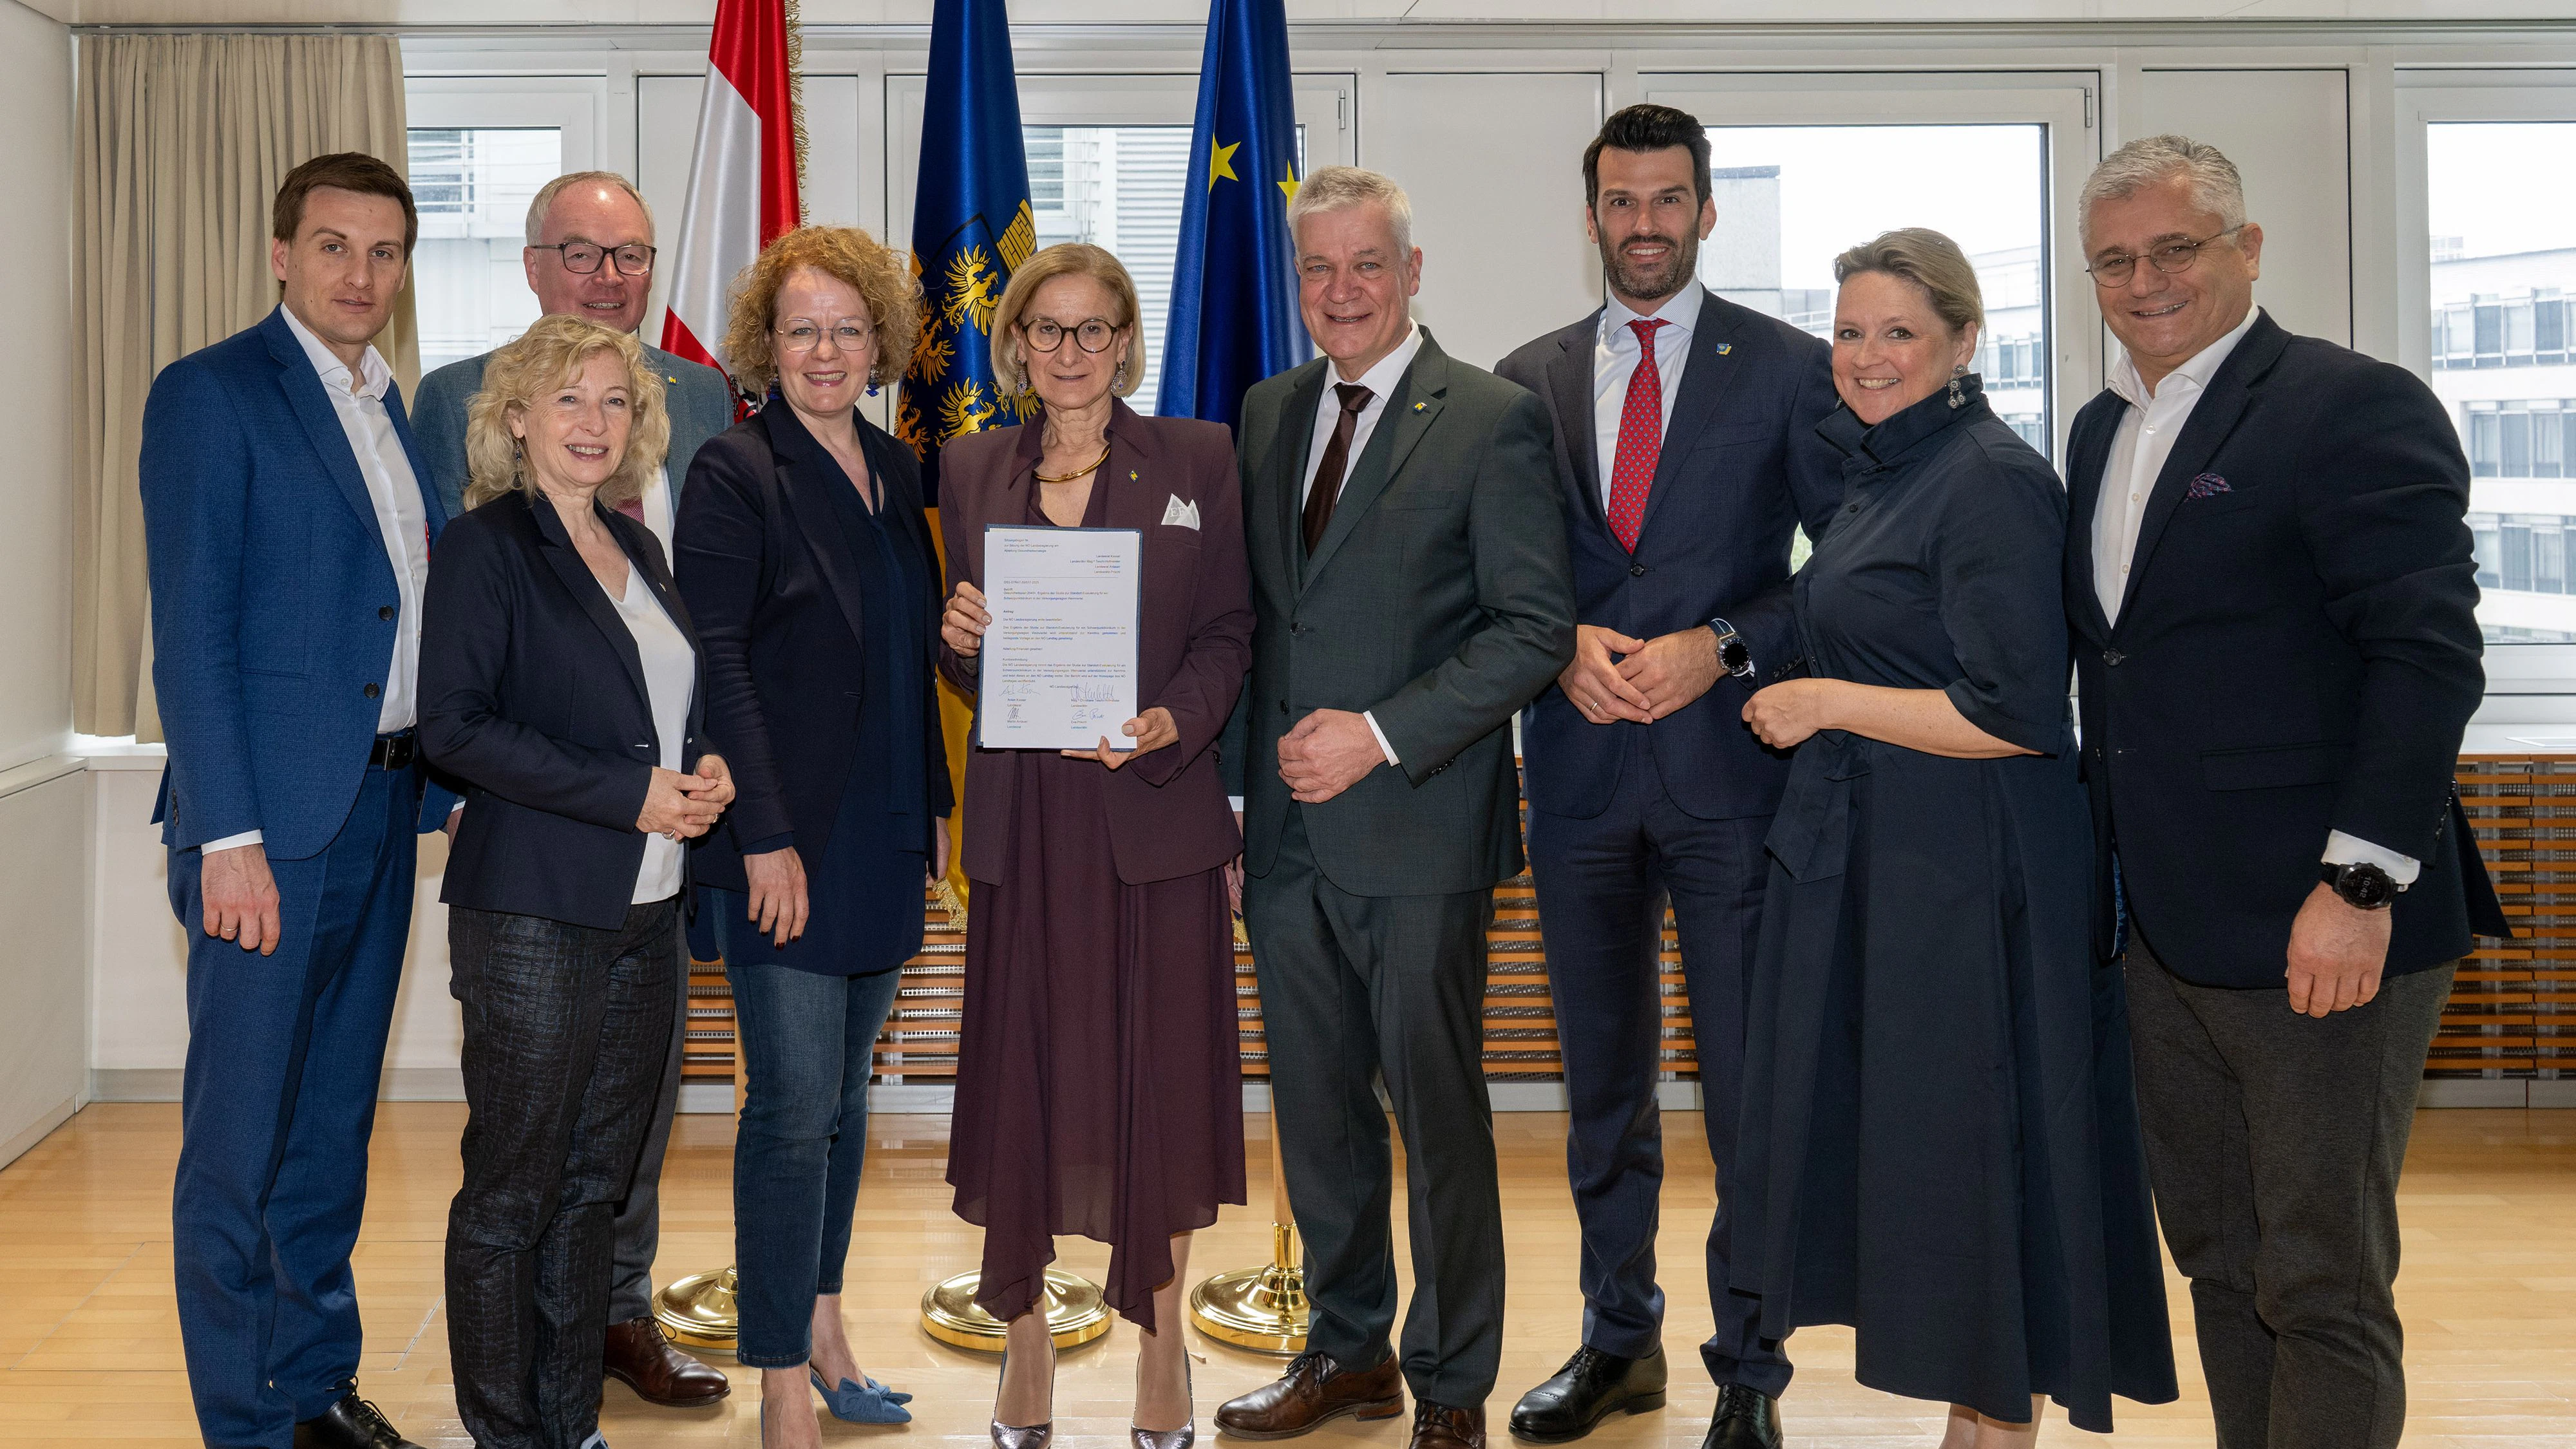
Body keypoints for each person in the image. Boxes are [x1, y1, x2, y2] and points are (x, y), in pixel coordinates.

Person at [2062, 136, 2505, 1449]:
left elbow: (2424, 658)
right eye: (2113, 258)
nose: (2143, 281)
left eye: (2173, 249)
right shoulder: (2100, 431)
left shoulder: (2345, 405)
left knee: (2317, 1278)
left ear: (2244, 250)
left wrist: (2359, 881)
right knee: (2217, 1256)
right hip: (2160, 928)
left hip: (2324, 921)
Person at [1730, 229, 2177, 1447]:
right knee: (1931, 1165)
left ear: (1965, 340)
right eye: (1850, 332)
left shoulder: (1987, 478)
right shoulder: (1885, 468)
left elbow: (2018, 711)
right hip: (1891, 862)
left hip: (1969, 874)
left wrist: (1823, 699)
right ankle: (1976, 1429)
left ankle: (1997, 1430)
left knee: (1980, 1156)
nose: (1866, 357)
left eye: (1898, 334)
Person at [1493, 105, 1843, 1449]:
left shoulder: (1793, 370)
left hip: (1731, 783)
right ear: (1588, 216)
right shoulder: (1523, 376)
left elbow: (1845, 572)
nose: (1643, 223)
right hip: (1577, 783)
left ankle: (1748, 1375)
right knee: (1602, 1090)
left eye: (1667, 199)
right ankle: (1615, 1342)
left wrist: (1727, 643)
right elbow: (1499, 579)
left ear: (1704, 212)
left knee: (1751, 1095)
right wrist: (1553, 645)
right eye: (1620, 201)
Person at [1213, 166, 1577, 1449]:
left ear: (1410, 274)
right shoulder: (1265, 412)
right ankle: (1348, 1349)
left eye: (1365, 265)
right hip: (1285, 844)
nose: (1341, 290)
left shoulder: (1488, 417)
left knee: (1434, 1112)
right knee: (1314, 1111)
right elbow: (1260, 626)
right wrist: (1239, 800)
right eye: (1317, 268)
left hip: (1419, 827)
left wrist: (1376, 736)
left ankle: (1453, 1381)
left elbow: (1532, 629)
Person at [139, 151, 454, 1449]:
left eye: (383, 252)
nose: (359, 275)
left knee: (329, 1134)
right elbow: (193, 635)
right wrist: (228, 836)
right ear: (282, 253)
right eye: (333, 246)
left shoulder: (392, 409)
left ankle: (313, 1381)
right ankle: (244, 1421)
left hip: (382, 816)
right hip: (265, 832)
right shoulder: (214, 395)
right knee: (238, 1148)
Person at [410, 168, 737, 1409]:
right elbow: (455, 729)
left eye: (614, 400)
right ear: (516, 415)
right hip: (535, 913)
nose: (593, 420)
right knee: (513, 1192)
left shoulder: (638, 544)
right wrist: (631, 794)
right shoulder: (490, 546)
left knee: (597, 1185)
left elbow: (664, 702)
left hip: (645, 915)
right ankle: (507, 1428)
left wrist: (699, 772)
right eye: (567, 400)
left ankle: (567, 1415)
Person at [935, 242, 1255, 1449]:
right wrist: (958, 634)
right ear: (1016, 343)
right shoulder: (970, 466)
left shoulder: (1198, 457)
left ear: (1126, 342)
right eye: (1047, 330)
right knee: (1024, 1074)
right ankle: (1026, 1344)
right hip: (1028, 820)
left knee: (1157, 1080)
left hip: (1153, 811)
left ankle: (1164, 1342)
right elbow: (968, 651)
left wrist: (1175, 720)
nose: (1071, 351)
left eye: (1095, 330)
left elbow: (1231, 630)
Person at [673, 225, 949, 1449]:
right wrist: (764, 837)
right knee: (788, 1111)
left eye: (847, 327)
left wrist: (935, 801)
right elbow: (718, 661)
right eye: (802, 329)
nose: (825, 350)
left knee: (842, 1100)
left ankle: (826, 1323)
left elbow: (907, 655)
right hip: (785, 847)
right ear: (764, 346)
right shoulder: (735, 472)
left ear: (879, 340)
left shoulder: (899, 470)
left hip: (887, 833)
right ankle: (780, 1372)